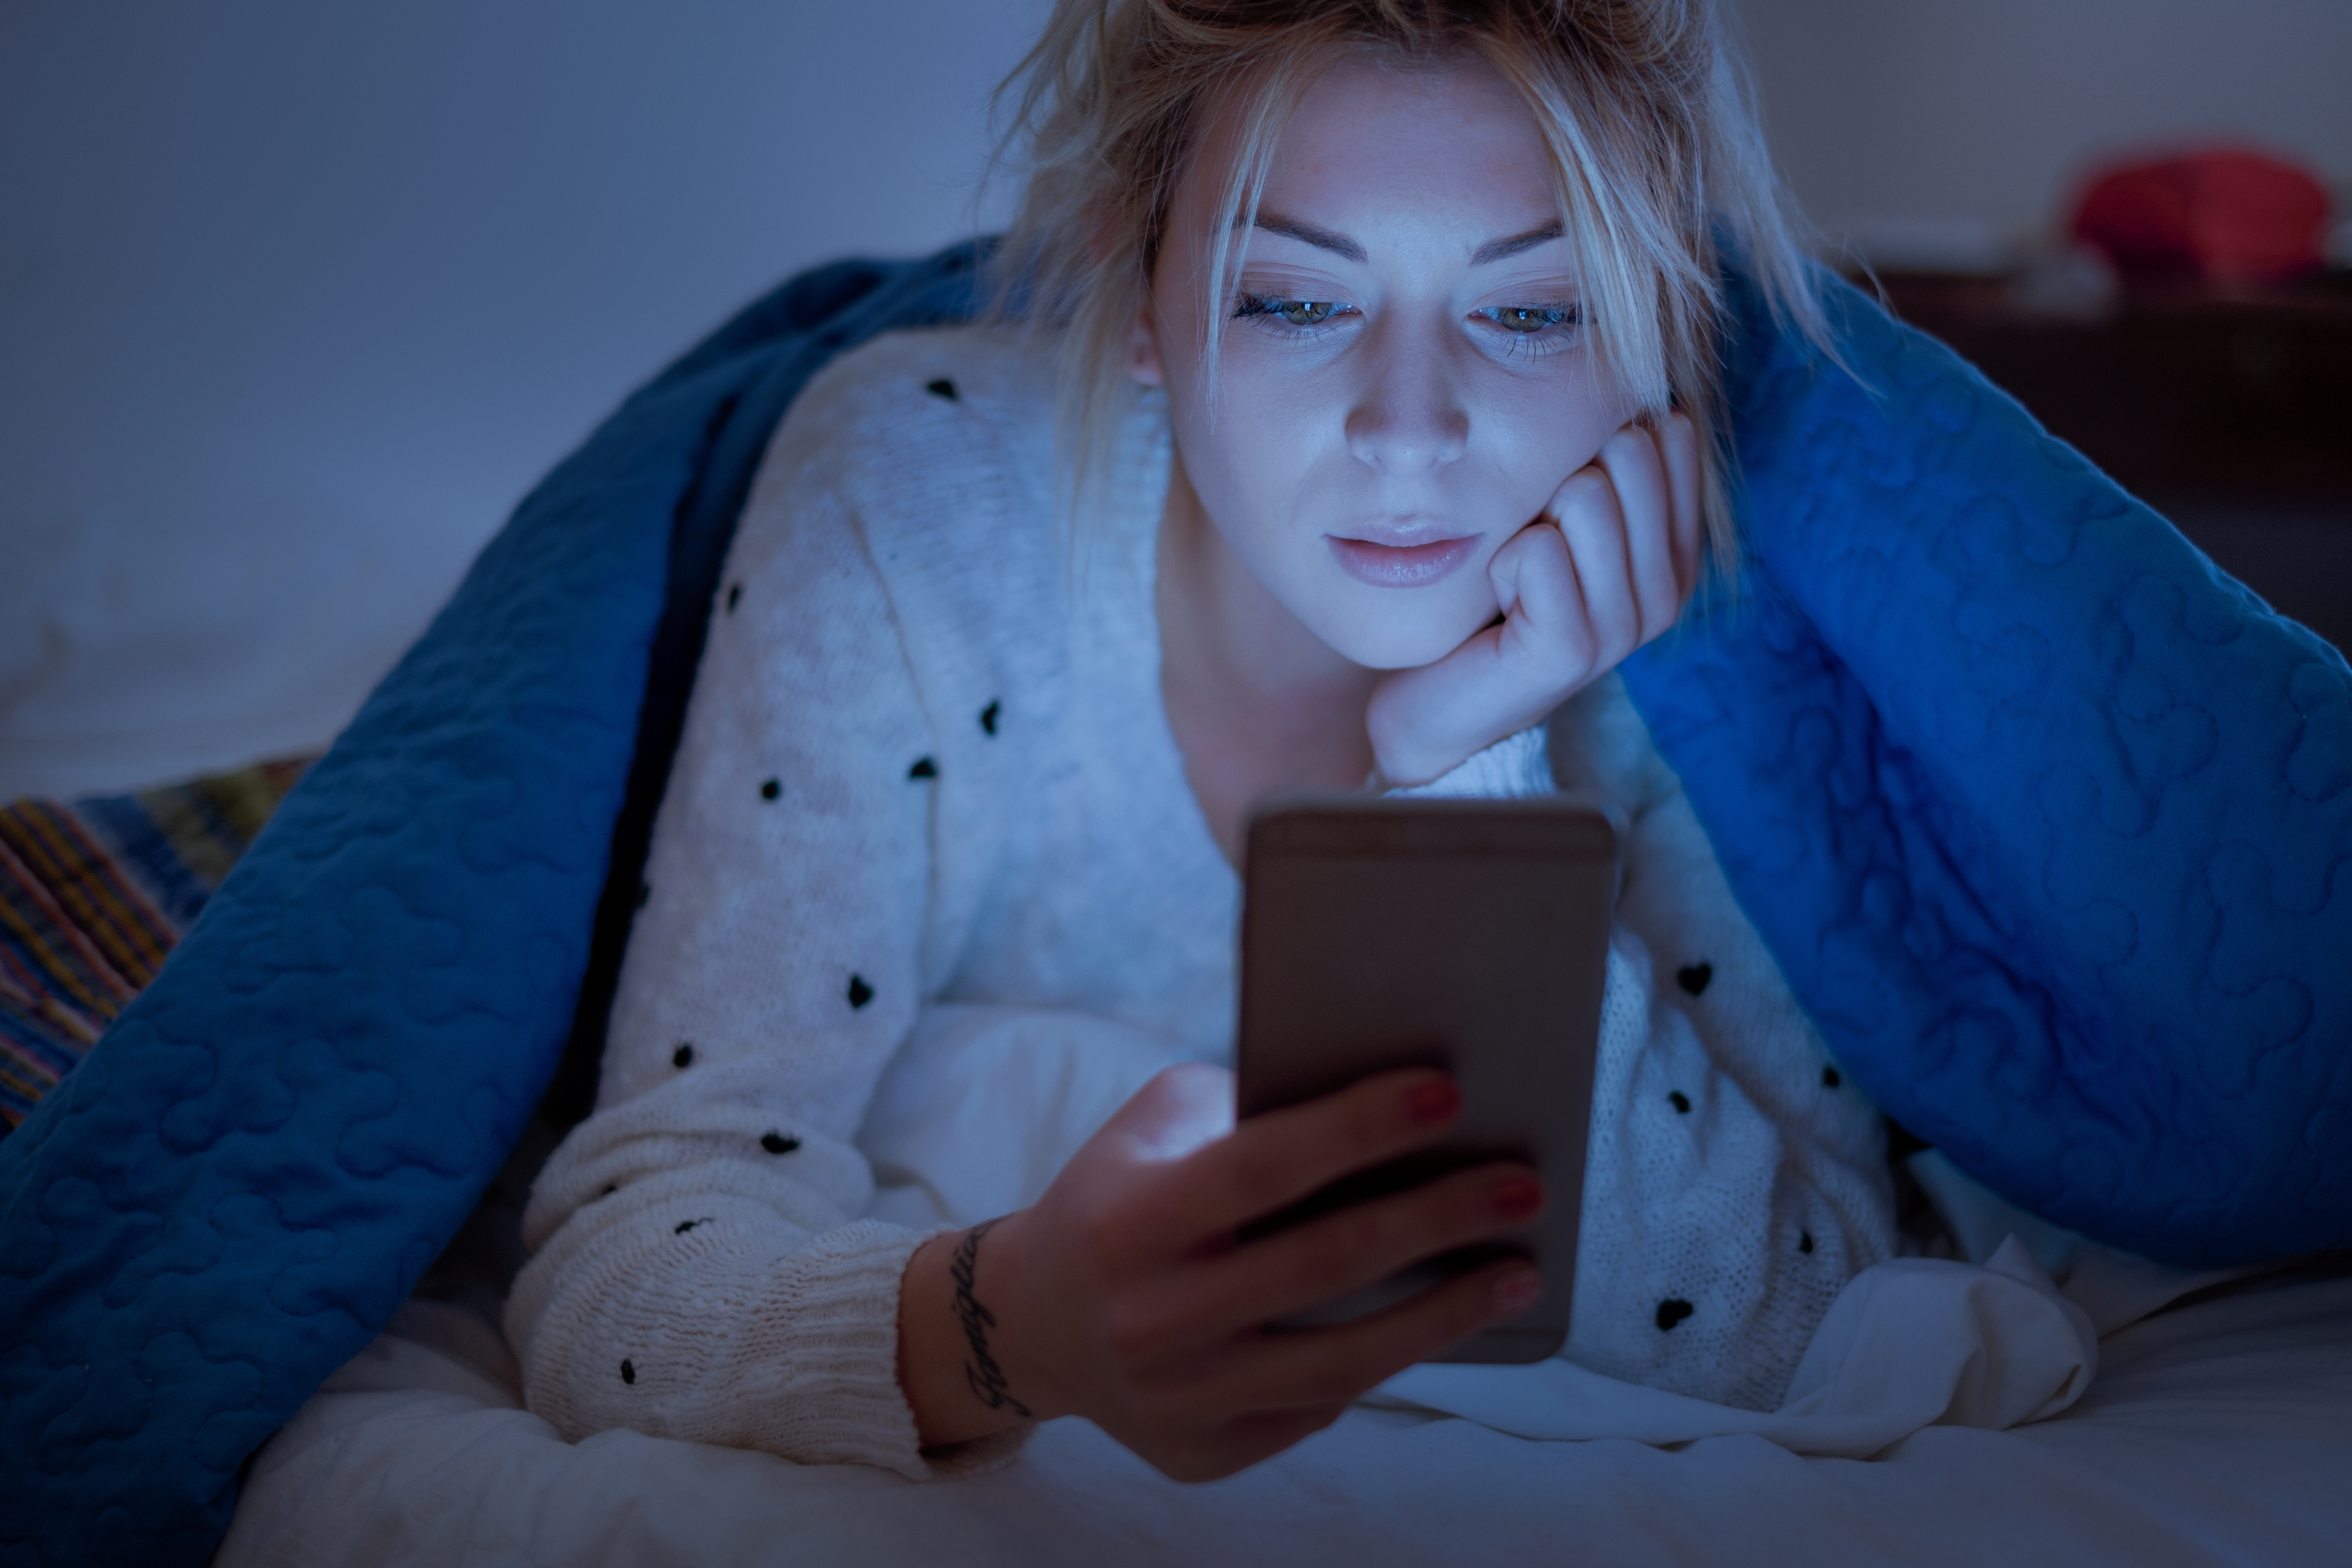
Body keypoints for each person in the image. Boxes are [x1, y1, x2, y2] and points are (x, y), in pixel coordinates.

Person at [505, 0, 1893, 1485]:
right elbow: (620, 1274)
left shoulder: (1688, 633)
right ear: (1138, 301)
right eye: (1293, 300)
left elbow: (1813, 1312)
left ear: (1656, 341)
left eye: (1534, 310)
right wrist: (1008, 1329)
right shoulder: (920, 508)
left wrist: (1462, 772)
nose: (1409, 434)